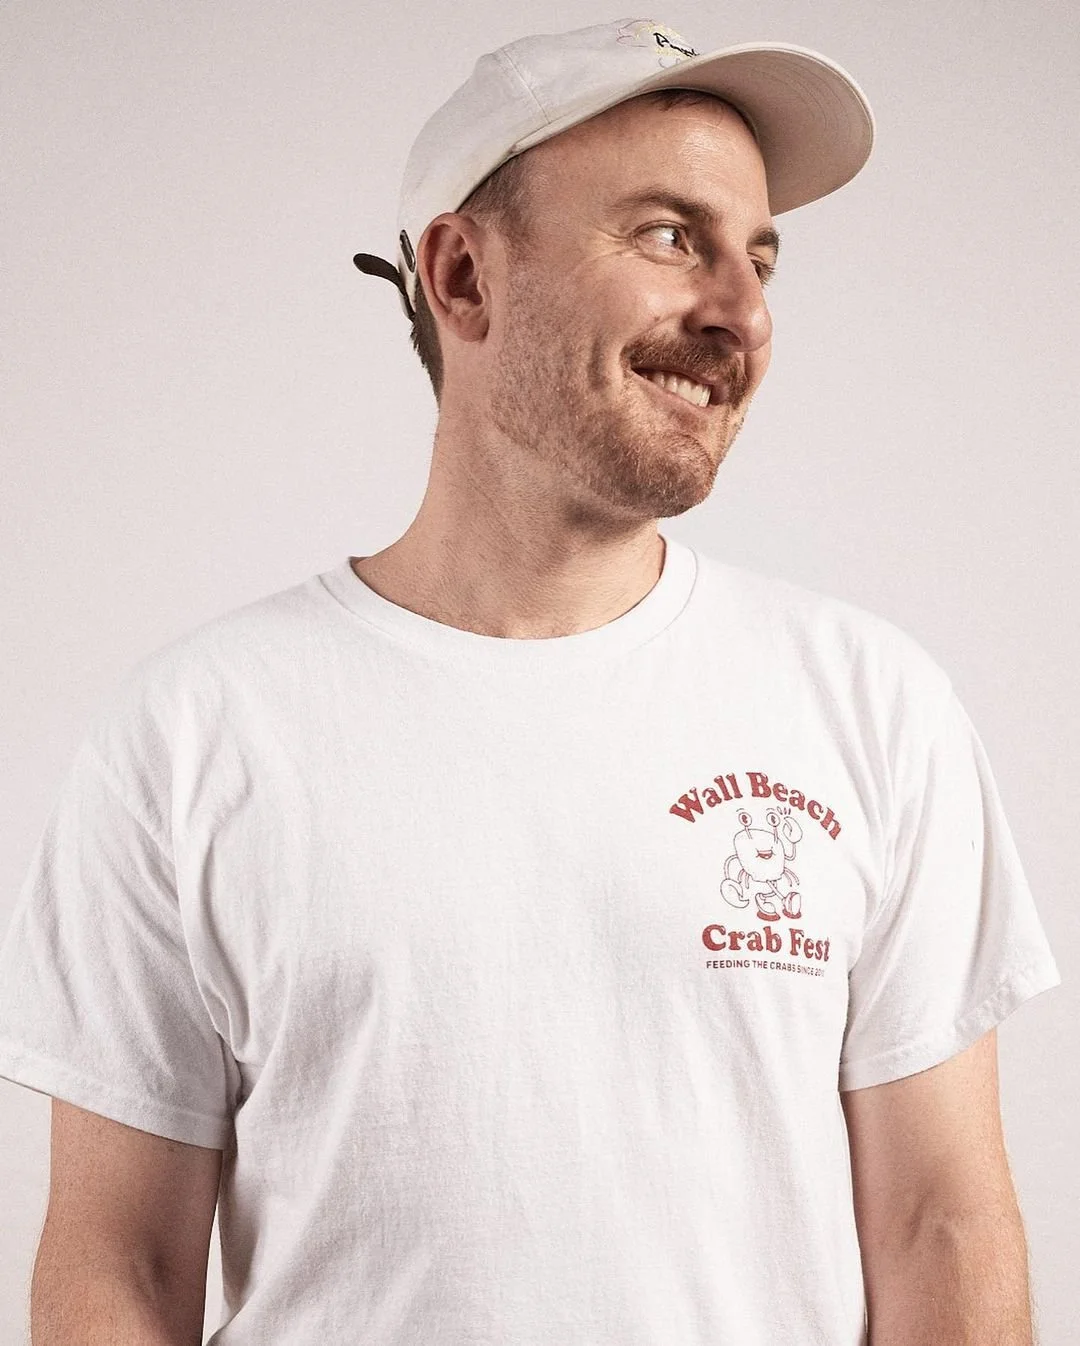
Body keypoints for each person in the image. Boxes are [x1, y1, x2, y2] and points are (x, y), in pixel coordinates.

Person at [0, 17, 1061, 1346]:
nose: (742, 314)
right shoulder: (195, 735)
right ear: (461, 276)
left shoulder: (873, 708)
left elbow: (942, 1227)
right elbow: (117, 1264)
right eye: (670, 236)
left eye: (760, 256)